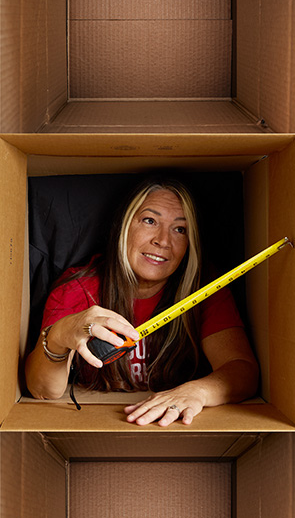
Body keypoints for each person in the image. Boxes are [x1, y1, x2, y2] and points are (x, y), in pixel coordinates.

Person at [26, 178, 259, 426]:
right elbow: (43, 390)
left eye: (180, 229)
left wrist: (197, 392)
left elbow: (242, 369)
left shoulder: (203, 287)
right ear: (123, 227)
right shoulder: (78, 288)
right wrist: (60, 335)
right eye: (150, 221)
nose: (163, 240)